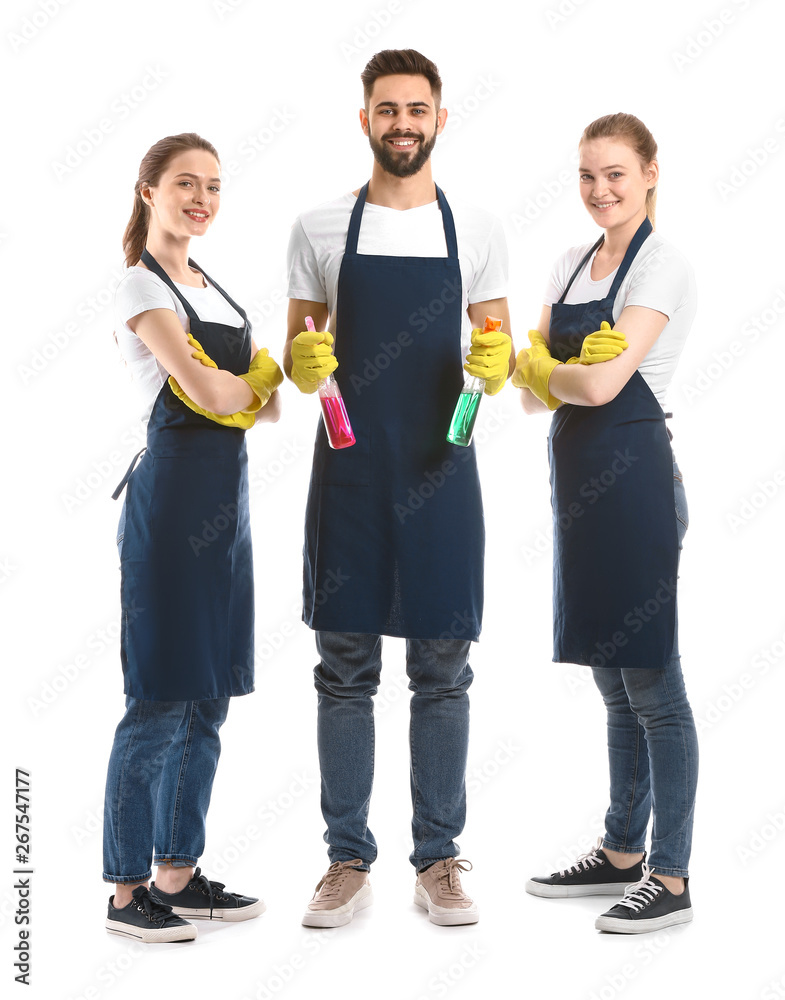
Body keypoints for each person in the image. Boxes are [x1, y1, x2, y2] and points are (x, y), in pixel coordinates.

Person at [284, 49, 513, 927]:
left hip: (440, 466)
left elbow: (496, 353)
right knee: (343, 668)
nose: (403, 124)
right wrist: (304, 363)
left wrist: (493, 366)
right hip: (349, 468)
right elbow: (302, 359)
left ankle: (439, 859)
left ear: (440, 119)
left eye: (417, 109)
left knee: (443, 667)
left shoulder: (481, 229)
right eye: (387, 110)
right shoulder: (316, 228)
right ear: (365, 120)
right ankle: (346, 859)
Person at [514, 113, 698, 933]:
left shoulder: (662, 266)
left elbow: (599, 387)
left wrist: (542, 368)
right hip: (578, 488)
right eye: (587, 176)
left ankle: (672, 876)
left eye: (616, 174)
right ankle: (622, 851)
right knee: (611, 680)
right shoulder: (568, 264)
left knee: (653, 682)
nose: (600, 191)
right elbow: (528, 394)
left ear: (650, 173)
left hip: (635, 489)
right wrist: (539, 370)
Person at [104, 132, 282, 942]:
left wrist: (264, 384)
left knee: (209, 695)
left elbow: (260, 407)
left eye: (213, 185)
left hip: (228, 509)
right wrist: (258, 381)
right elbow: (204, 387)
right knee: (158, 697)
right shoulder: (138, 285)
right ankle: (125, 891)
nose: (201, 198)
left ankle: (177, 874)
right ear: (148, 191)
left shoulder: (214, 288)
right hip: (171, 506)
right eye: (184, 183)